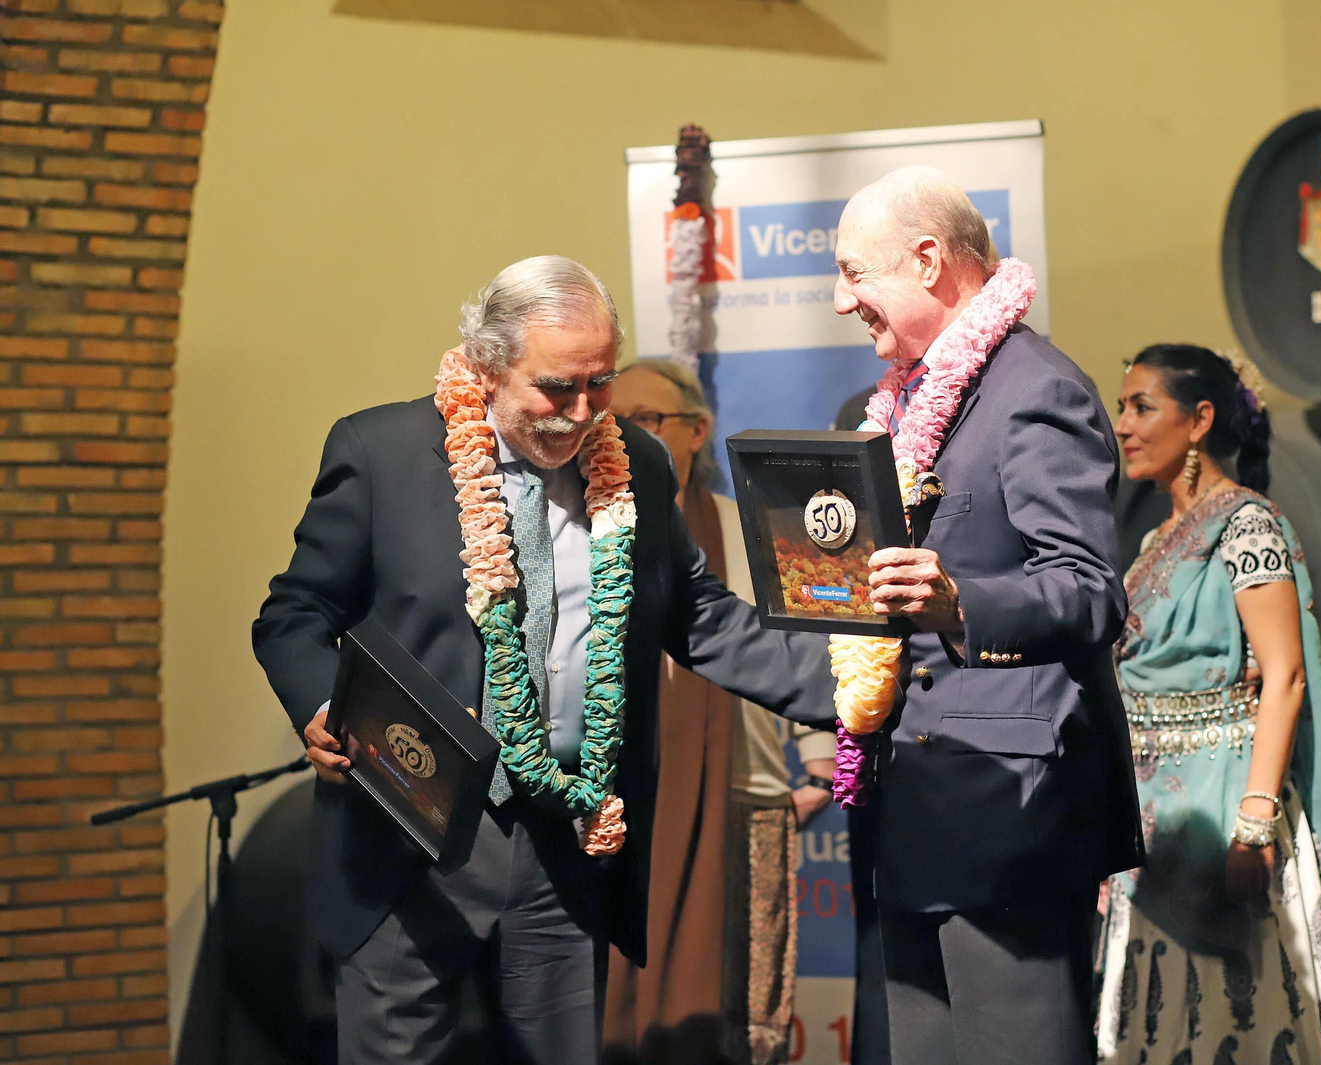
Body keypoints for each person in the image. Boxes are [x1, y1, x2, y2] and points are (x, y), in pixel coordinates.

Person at [252, 256, 833, 1065]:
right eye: (558, 387)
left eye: (600, 382)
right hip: (409, 841)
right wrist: (322, 707)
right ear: (487, 366)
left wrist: (851, 694)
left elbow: (699, 617)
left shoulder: (637, 462)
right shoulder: (379, 451)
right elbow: (294, 614)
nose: (583, 411)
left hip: (567, 842)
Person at [831, 165, 1144, 1065]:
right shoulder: (887, 405)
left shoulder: (1034, 387)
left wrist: (960, 601)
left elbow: (1090, 591)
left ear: (929, 259)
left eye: (856, 273)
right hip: (910, 801)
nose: (842, 301)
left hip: (1008, 812)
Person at [1099, 343, 1321, 1064]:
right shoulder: (1158, 541)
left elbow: (1283, 676)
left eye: (1141, 405)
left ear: (1200, 420)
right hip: (1157, 831)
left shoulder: (1246, 525)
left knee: (1238, 1027)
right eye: (1122, 406)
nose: (1122, 423)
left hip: (1232, 826)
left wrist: (1252, 830)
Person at [603, 359, 836, 1065]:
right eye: (615, 423)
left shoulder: (760, 528)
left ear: (697, 430)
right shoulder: (596, 532)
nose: (626, 437)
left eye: (647, 421)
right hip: (630, 816)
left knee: (742, 1018)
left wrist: (821, 778)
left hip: (749, 803)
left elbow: (801, 649)